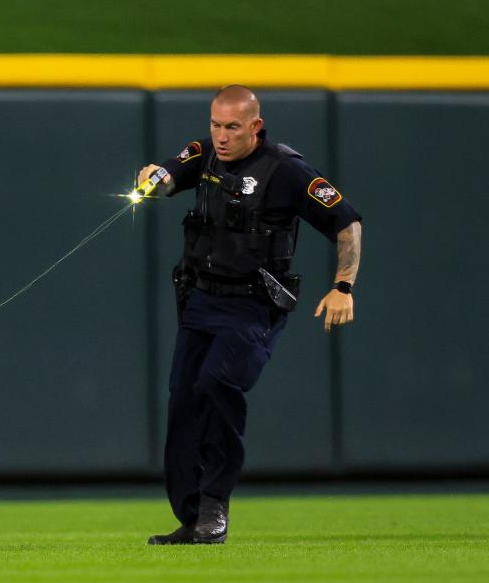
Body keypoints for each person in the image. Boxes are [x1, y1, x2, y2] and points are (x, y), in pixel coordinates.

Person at [138, 85, 362, 545]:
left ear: (255, 126)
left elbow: (347, 220)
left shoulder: (286, 171)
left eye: (233, 127)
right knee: (183, 398)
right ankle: (192, 515)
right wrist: (152, 180)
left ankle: (215, 505)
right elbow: (166, 176)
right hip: (200, 300)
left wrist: (343, 286)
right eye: (216, 125)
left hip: (252, 304)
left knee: (218, 384)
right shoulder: (204, 155)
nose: (221, 136)